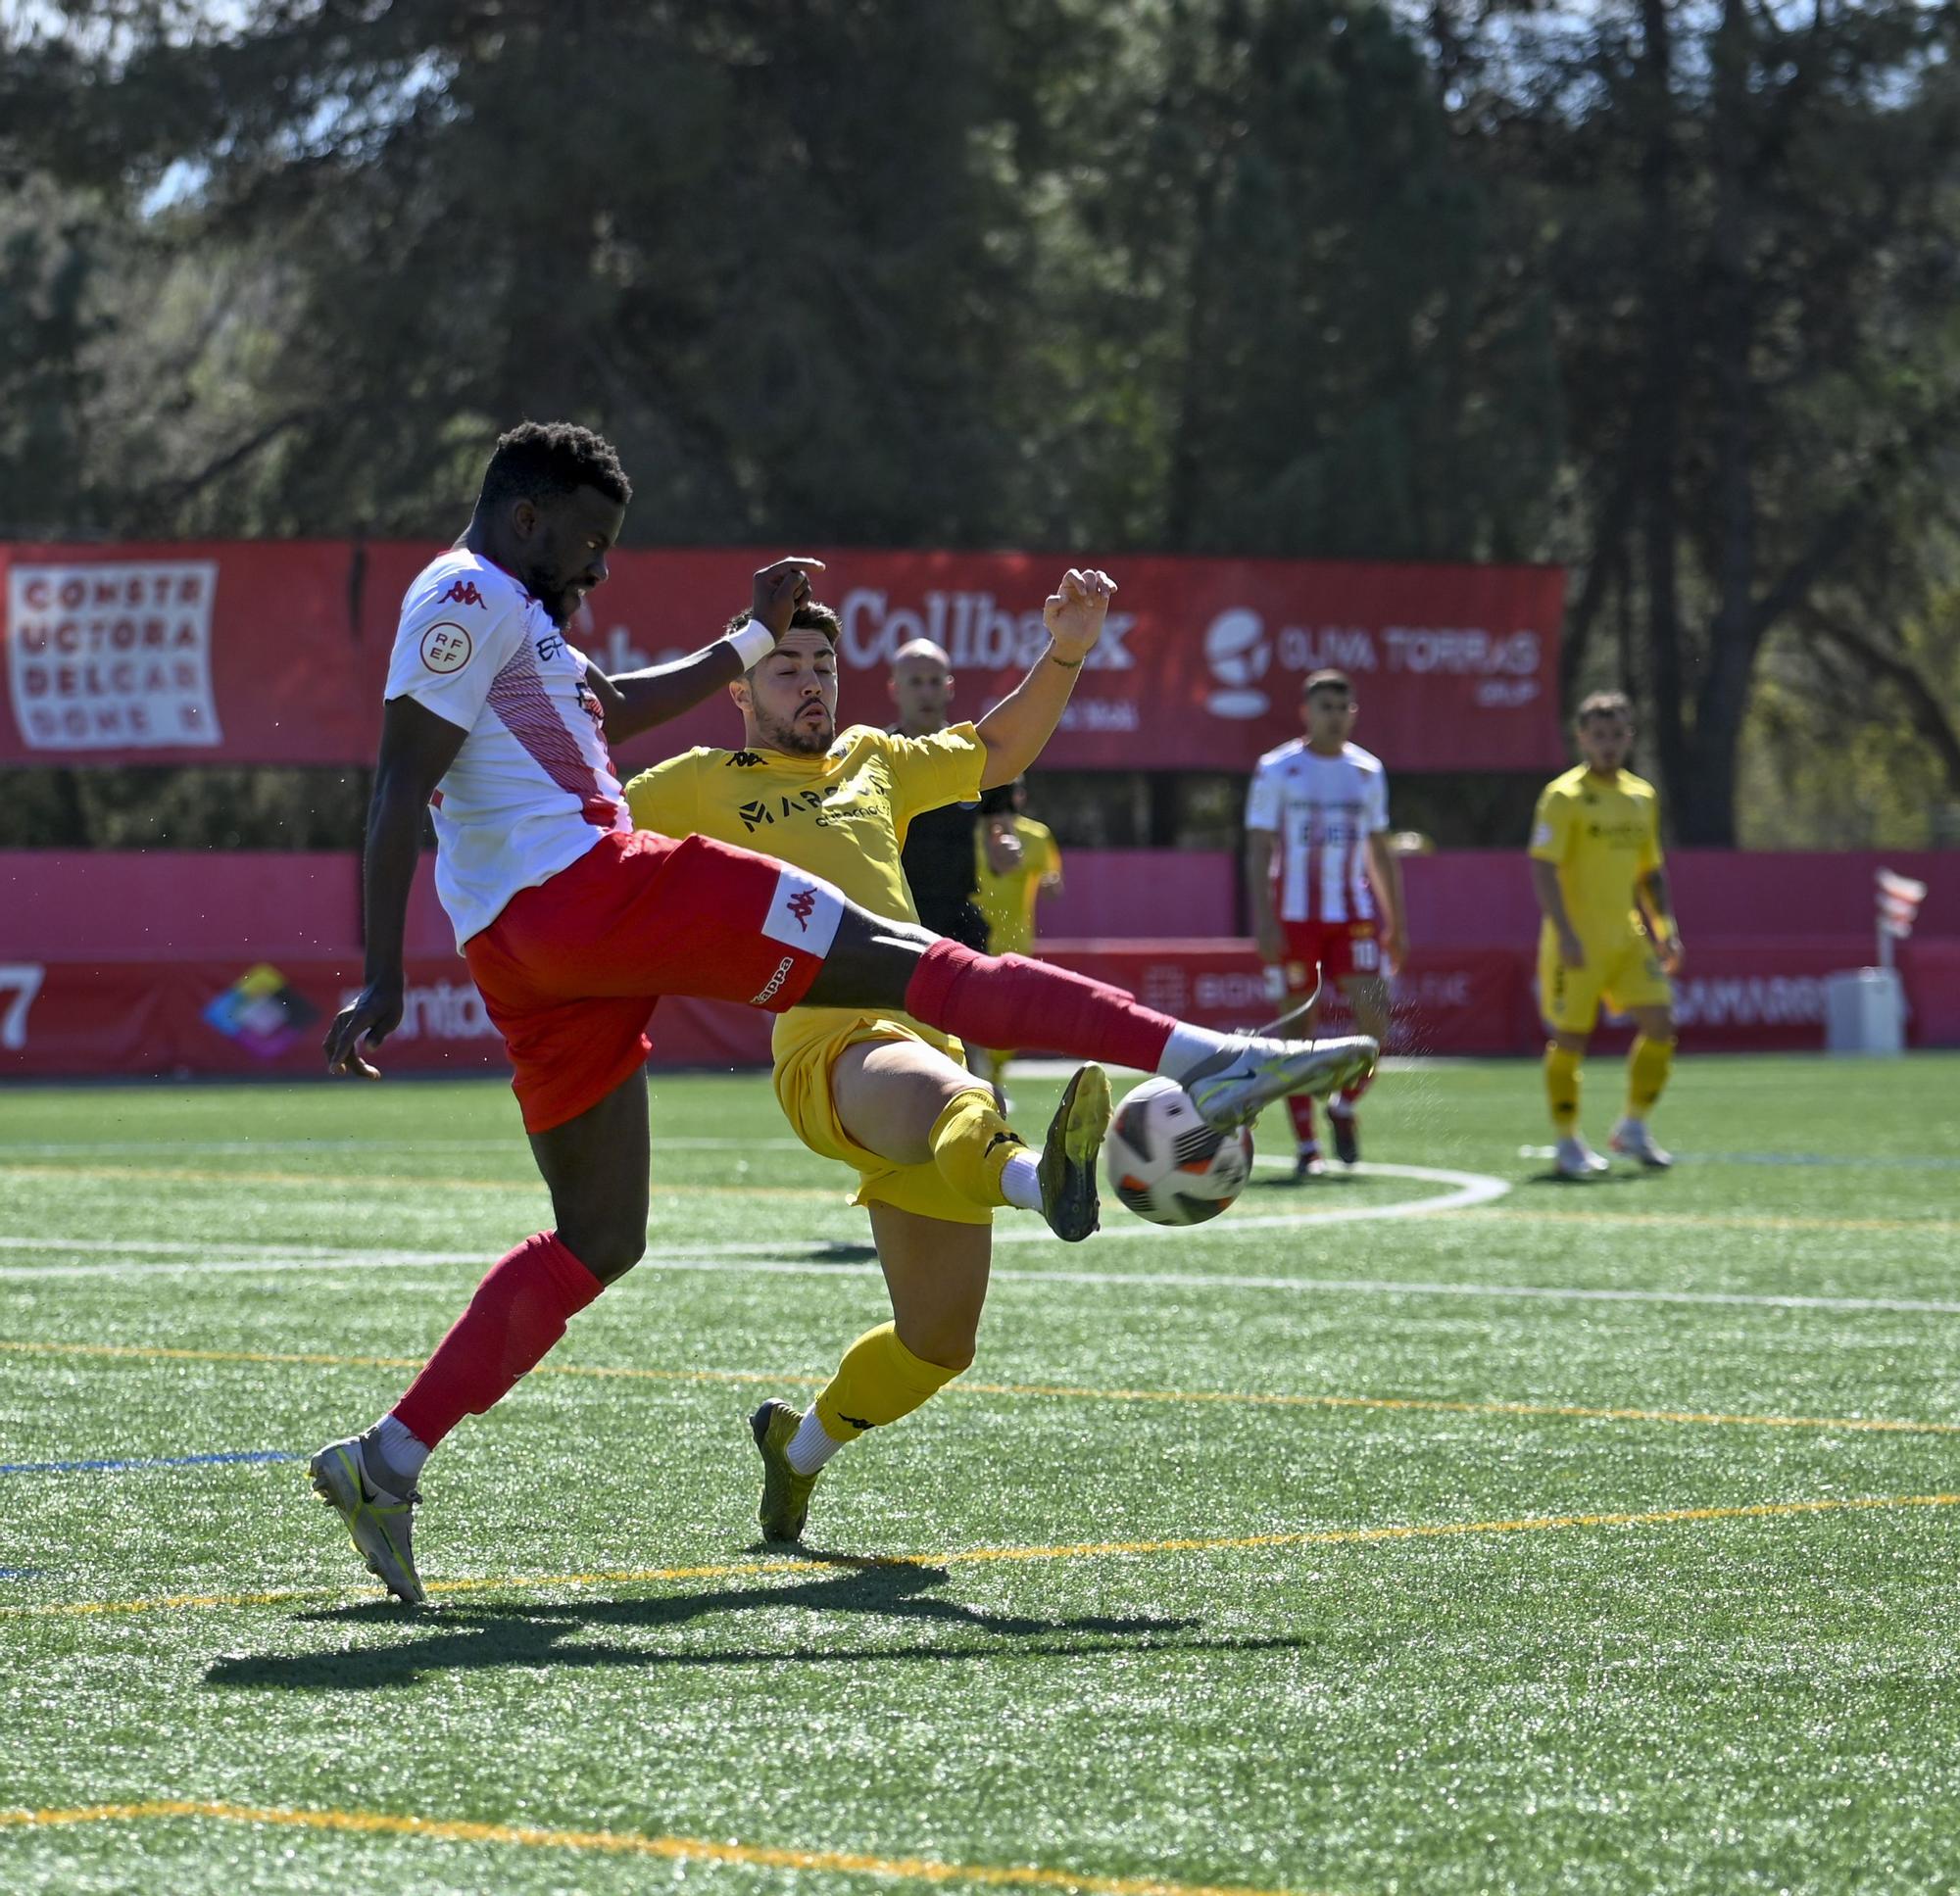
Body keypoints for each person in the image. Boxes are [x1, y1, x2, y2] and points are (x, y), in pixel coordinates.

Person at [308, 420, 1379, 1603]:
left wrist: (747, 637)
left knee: (600, 1238)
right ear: (524, 518)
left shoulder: (529, 618)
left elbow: (609, 703)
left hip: (539, 952)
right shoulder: (464, 591)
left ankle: (387, 1460)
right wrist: (381, 968)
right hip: (586, 893)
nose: (600, 569)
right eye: (590, 543)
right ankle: (1203, 1056)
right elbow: (399, 779)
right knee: (919, 962)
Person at [624, 587, 1106, 1543]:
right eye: (785, 669)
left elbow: (998, 750)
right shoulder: (700, 781)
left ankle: (795, 1453)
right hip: (826, 1047)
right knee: (957, 1095)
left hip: (921, 1046)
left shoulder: (874, 761)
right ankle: (1038, 1179)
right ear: (740, 689)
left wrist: (1064, 654)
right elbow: (580, 833)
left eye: (822, 667)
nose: (810, 684)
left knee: (937, 1344)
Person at [1244, 670, 1407, 1179]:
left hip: (1353, 916)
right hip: (1294, 917)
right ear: (1307, 713)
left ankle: (1344, 1105)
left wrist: (1396, 921)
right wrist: (1264, 920)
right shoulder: (1277, 769)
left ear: (1353, 713)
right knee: (1296, 1033)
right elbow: (1258, 848)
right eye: (1325, 707)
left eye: (1342, 707)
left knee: (1376, 1021)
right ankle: (1307, 1146)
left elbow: (1379, 849)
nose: (1334, 716)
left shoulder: (1367, 771)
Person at [1528, 691, 1683, 1178]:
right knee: (1571, 1040)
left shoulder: (1641, 796)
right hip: (1575, 941)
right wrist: (1565, 933)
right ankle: (1567, 1140)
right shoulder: (1563, 796)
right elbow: (1544, 870)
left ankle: (1633, 1126)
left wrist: (1665, 929)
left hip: (1627, 935)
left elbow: (1649, 872)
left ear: (1629, 737)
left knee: (1660, 1025)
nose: (1608, 744)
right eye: (1598, 735)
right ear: (1582, 739)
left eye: (1617, 734)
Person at [887, 639, 990, 949]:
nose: (926, 692)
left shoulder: (972, 754)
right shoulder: (877, 755)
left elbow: (1001, 828)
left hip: (959, 917)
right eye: (915, 682)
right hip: (898, 914)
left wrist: (1003, 848)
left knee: (974, 997)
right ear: (895, 689)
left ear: (950, 688)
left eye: (934, 682)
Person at [970, 776, 1063, 1109]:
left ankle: (993, 1079)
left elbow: (1055, 883)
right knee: (967, 1013)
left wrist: (1051, 883)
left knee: (1007, 1019)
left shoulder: (1037, 837)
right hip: (970, 938)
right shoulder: (968, 833)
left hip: (1015, 942)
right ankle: (972, 1082)